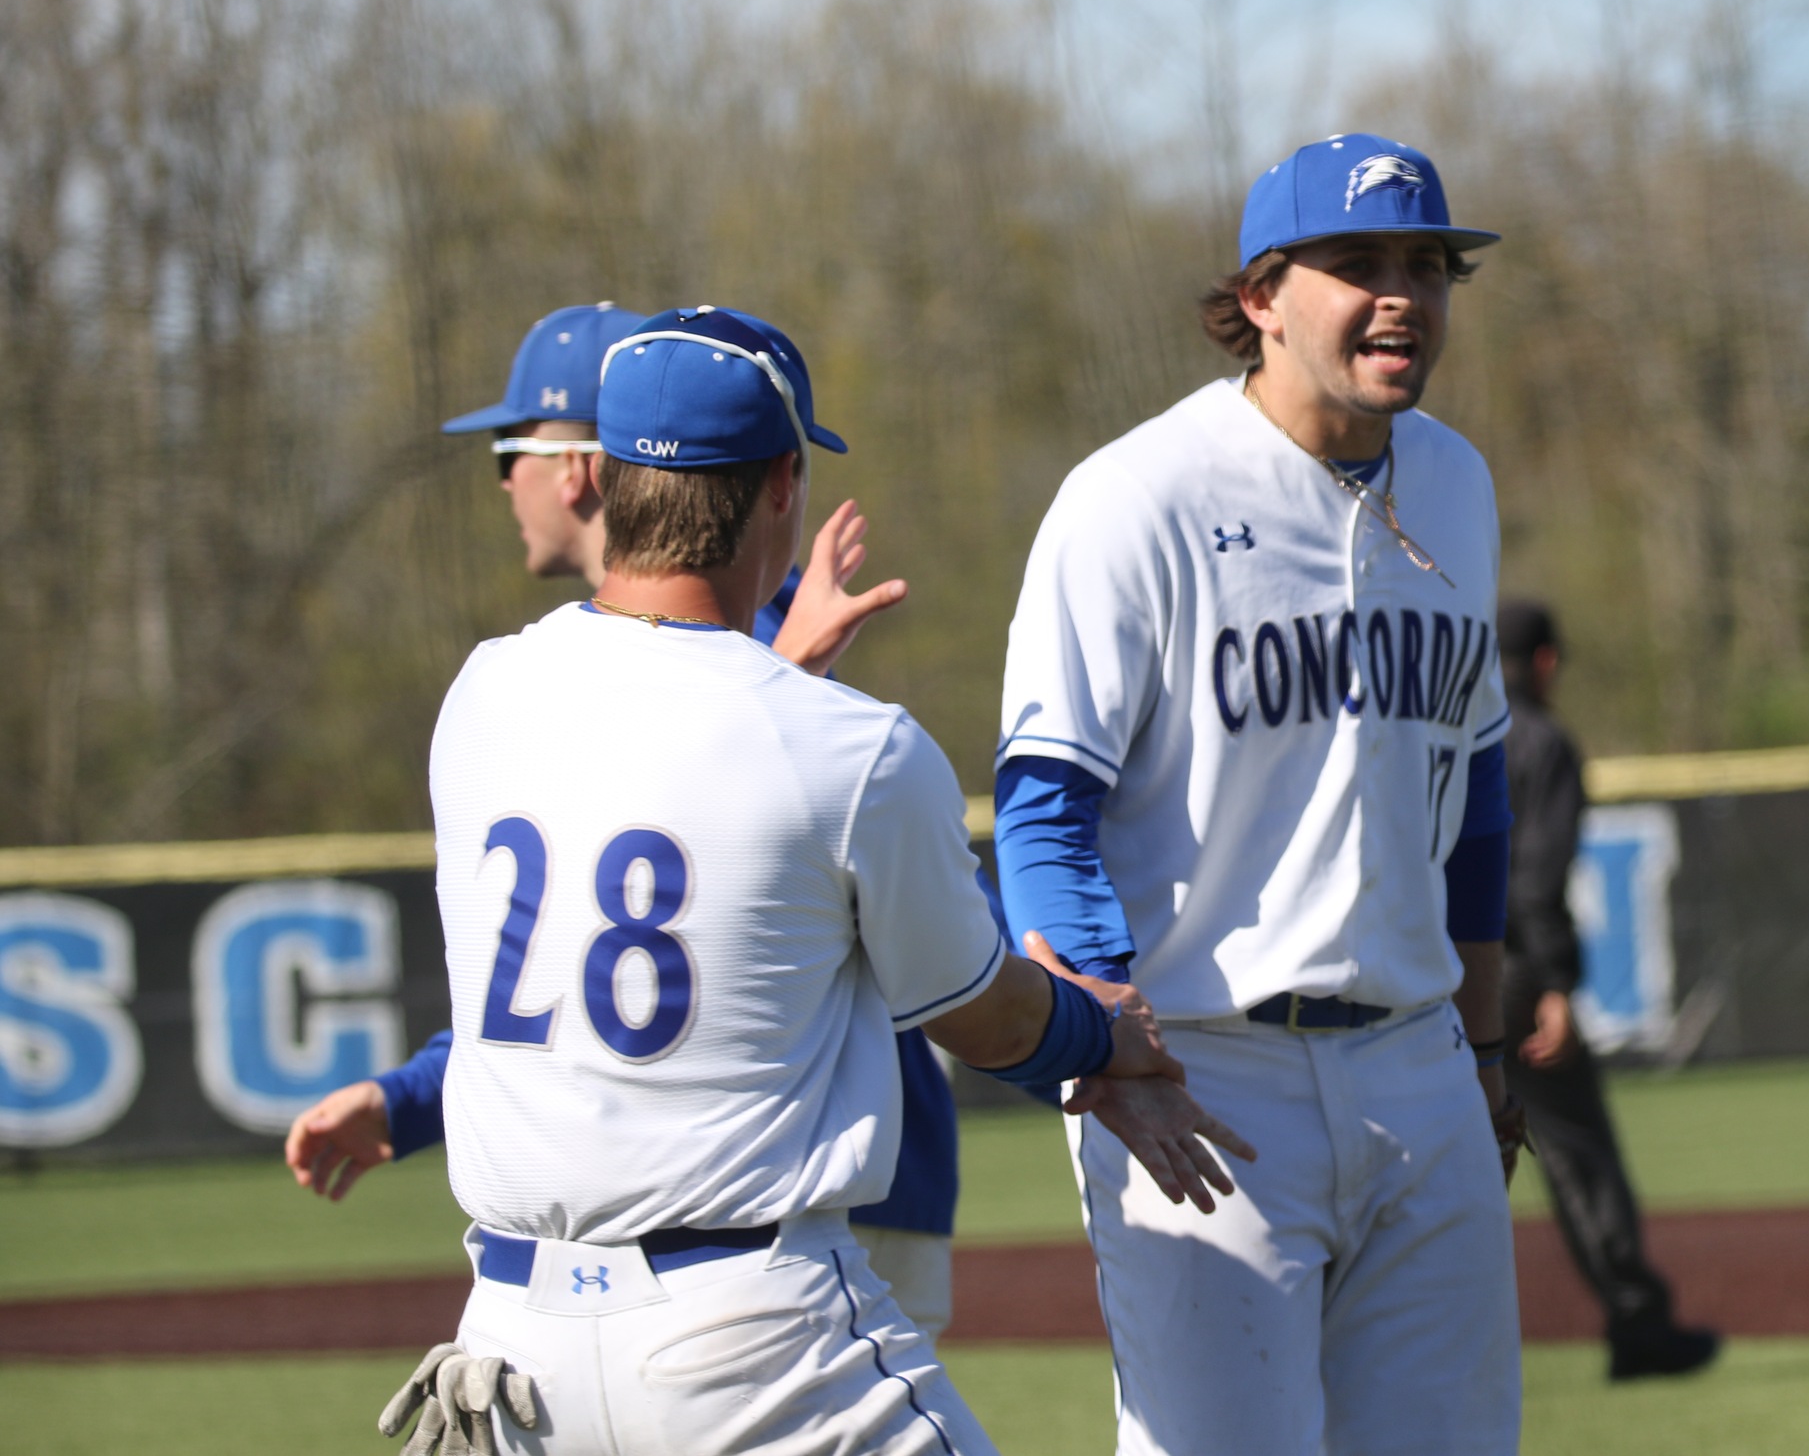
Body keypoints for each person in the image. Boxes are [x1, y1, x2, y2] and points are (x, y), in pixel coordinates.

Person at [386, 304, 1244, 1455]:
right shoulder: (846, 744)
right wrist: (1104, 1034)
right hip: (744, 1337)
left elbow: (666, 762)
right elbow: (979, 1013)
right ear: (782, 483)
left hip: (511, 1347)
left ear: (607, 474)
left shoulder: (481, 696)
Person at [284, 299, 968, 1340]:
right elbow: (576, 964)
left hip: (797, 1195)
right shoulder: (542, 677)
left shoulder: (733, 647)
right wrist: (416, 1094)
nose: (499, 482)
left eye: (505, 452)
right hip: (705, 1213)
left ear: (582, 468)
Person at [995, 134, 1523, 1456]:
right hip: (1204, 1073)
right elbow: (1041, 809)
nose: (1400, 294)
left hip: (1418, 1061)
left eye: (1427, 263)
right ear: (1259, 295)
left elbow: (1481, 782)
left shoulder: (1454, 483)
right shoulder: (1136, 497)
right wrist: (1115, 1044)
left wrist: (1491, 1044)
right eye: (1356, 263)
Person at [1495, 600, 1721, 1382]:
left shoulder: (1438, 726)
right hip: (1511, 972)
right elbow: (1532, 878)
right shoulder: (1541, 739)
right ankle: (1637, 1322)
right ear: (1547, 662)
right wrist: (1554, 982)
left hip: (1424, 977)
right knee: (1576, 1151)